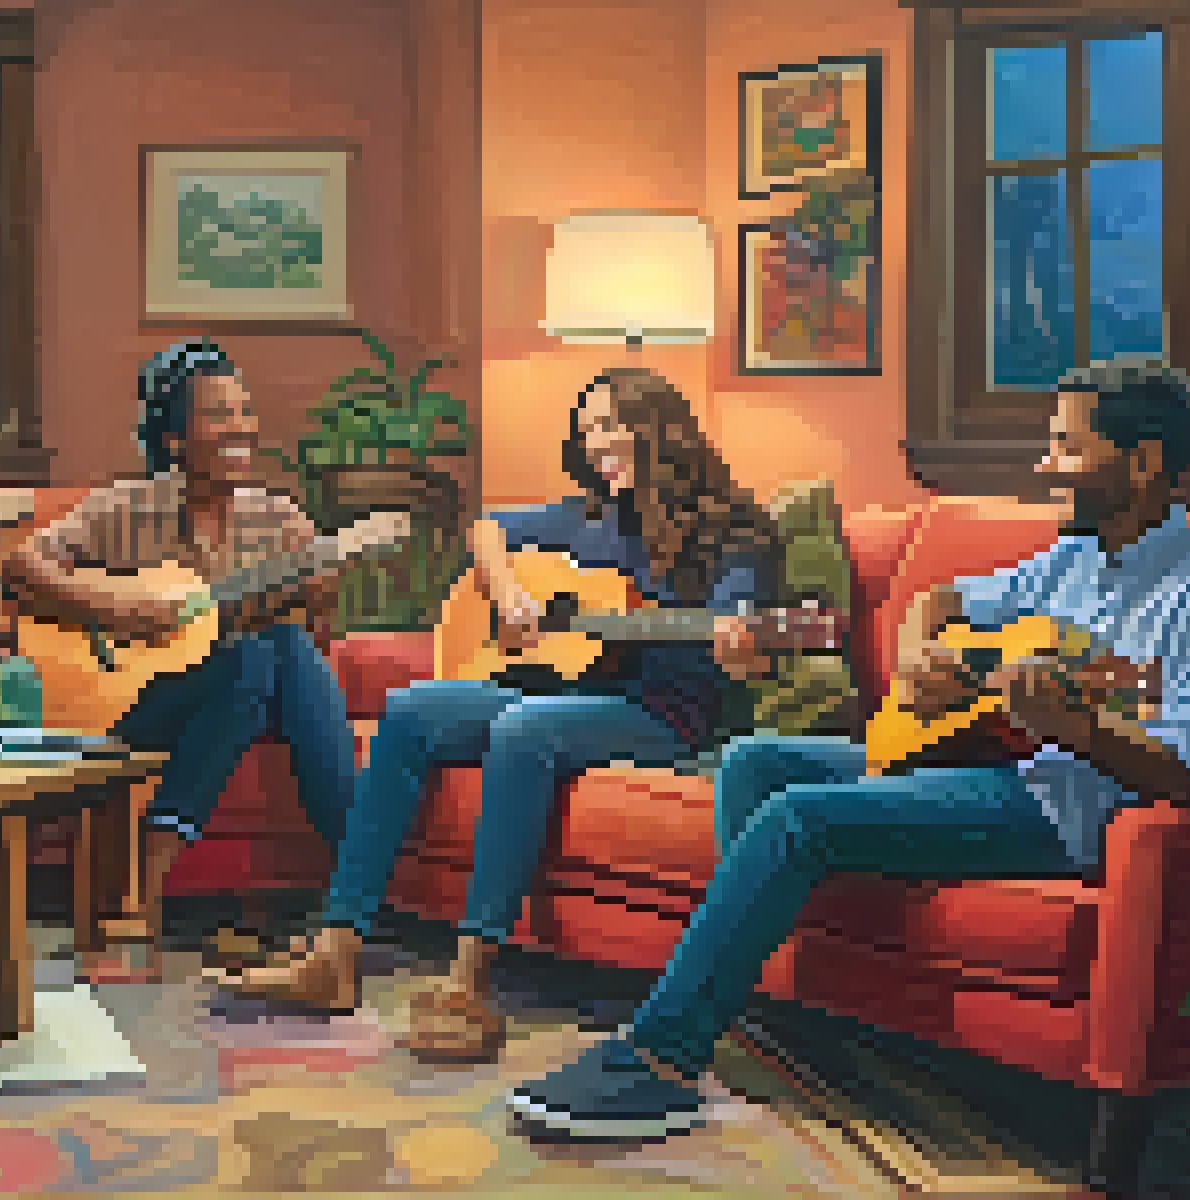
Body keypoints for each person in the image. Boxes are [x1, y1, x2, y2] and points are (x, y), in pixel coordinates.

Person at [505, 359, 1190, 1140]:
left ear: (1141, 463)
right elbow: (943, 601)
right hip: (980, 760)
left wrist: (1081, 730)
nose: (1047, 467)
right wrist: (918, 659)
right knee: (756, 762)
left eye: (1069, 449)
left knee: (795, 819)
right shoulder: (1072, 558)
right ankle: (759, 1006)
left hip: (1060, 810)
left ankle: (659, 1060)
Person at [213, 367, 783, 1063]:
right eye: (590, 429)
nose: (599, 442)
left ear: (660, 429)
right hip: (566, 693)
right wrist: (509, 591)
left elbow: (742, 633)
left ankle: (468, 976)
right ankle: (337, 950)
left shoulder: (734, 534)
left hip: (660, 716)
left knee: (524, 729)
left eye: (613, 425)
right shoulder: (589, 518)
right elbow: (486, 530)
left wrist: (742, 638)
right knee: (412, 709)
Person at [4, 339, 361, 942]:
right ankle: (356, 895)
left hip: (250, 693)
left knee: (267, 651)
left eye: (245, 411)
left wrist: (312, 588)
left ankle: (148, 884)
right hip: (139, 699)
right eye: (219, 414)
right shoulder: (123, 508)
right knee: (266, 652)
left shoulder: (277, 517)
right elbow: (22, 567)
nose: (241, 427)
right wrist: (118, 607)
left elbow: (319, 598)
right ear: (174, 438)